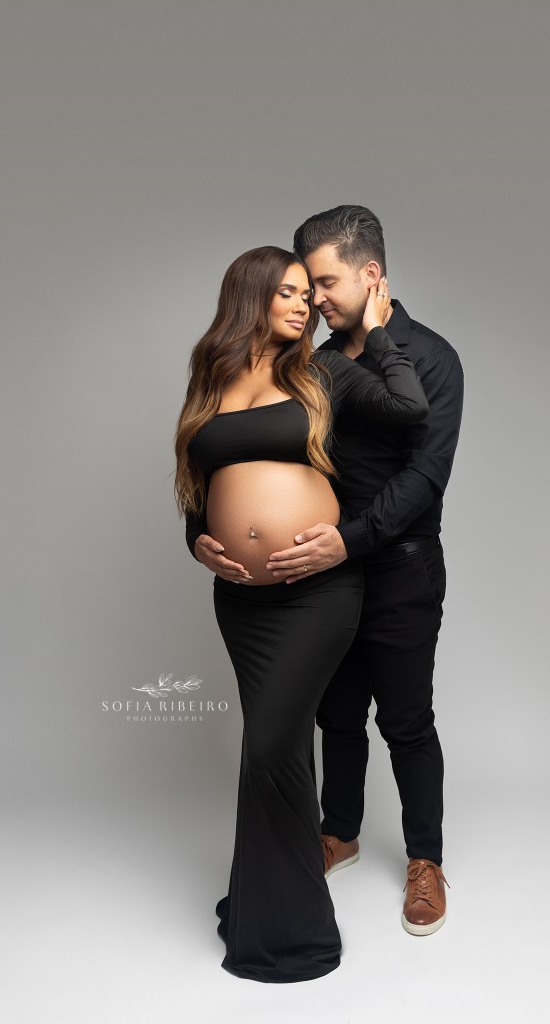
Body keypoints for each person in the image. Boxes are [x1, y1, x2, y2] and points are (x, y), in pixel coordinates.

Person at [174, 245, 428, 982]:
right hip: (242, 603)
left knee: (268, 750)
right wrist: (197, 543)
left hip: (317, 591)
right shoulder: (210, 376)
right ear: (250, 296)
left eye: (306, 293)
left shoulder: (325, 373)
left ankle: (296, 934)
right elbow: (194, 486)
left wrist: (377, 331)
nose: (304, 305)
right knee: (272, 749)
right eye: (287, 292)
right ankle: (264, 905)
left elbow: (409, 409)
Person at [265, 206, 464, 936]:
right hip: (325, 569)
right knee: (335, 714)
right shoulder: (314, 364)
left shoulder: (432, 358)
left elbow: (424, 480)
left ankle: (426, 862)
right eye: (308, 284)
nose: (313, 298)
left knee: (407, 721)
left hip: (401, 569)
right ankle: (338, 831)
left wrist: (347, 541)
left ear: (370, 274)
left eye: (324, 282)